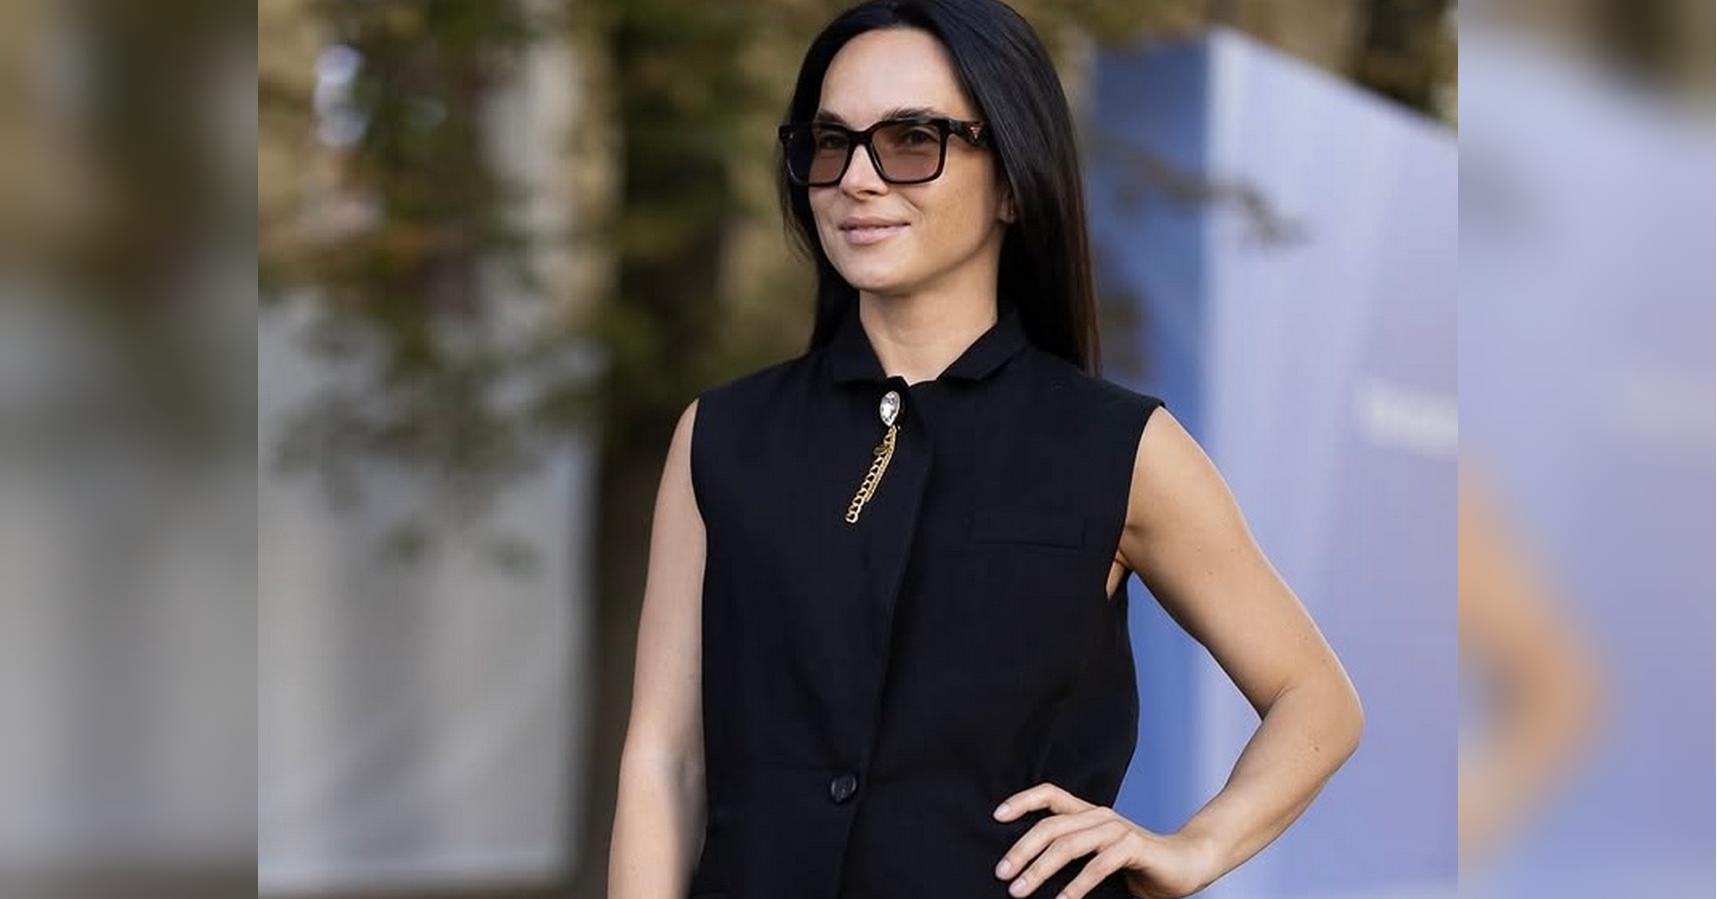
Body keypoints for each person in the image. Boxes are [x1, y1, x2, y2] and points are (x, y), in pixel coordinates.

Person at [609, 2, 1364, 898]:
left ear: (1012, 180)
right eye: (830, 142)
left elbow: (1316, 698)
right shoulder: (722, 435)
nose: (856, 178)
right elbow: (665, 758)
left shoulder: (1117, 446)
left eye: (912, 139)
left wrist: (1196, 847)